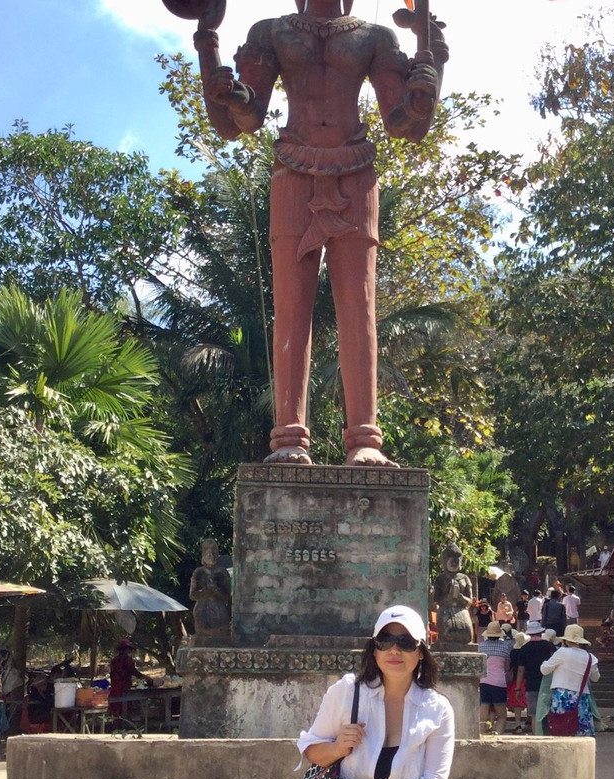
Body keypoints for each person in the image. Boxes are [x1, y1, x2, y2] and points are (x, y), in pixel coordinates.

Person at [188, 0, 448, 467]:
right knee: (291, 307)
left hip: (355, 171)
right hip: (293, 168)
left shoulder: (375, 37)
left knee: (359, 305)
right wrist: (213, 58)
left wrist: (429, 80)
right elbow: (236, 123)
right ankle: (289, 437)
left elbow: (406, 126)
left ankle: (365, 439)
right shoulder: (271, 32)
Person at [298, 604, 454, 779]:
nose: (394, 650)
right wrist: (337, 748)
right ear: (374, 650)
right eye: (385, 640)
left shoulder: (437, 709)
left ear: (421, 651)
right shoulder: (346, 691)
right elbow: (311, 750)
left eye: (405, 642)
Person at [540, 623, 601, 736]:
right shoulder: (590, 658)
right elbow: (595, 678)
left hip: (561, 695)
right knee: (581, 729)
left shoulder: (562, 653)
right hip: (581, 696)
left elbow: (545, 670)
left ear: (566, 640)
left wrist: (544, 662)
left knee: (560, 727)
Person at [189, 538, 232, 646]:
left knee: (220, 634)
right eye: (208, 553)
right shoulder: (199, 572)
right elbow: (192, 595)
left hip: (219, 609)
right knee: (203, 635)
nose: (211, 555)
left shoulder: (222, 572)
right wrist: (205, 591)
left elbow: (227, 595)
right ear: (203, 555)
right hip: (203, 609)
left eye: (214, 552)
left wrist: (216, 591)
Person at [516, 621, 556, 734]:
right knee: (547, 711)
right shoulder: (548, 646)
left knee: (534, 714)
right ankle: (547, 734)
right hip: (547, 683)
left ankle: (536, 735)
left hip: (531, 684)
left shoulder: (524, 648)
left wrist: (518, 688)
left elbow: (520, 669)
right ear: (540, 632)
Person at [478, 621, 513, 735]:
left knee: (484, 708)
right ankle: (498, 735)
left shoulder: (481, 646)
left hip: (484, 681)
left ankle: (482, 734)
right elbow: (507, 666)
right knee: (502, 715)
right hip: (499, 682)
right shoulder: (505, 647)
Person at [109, 638, 149, 717]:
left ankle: (117, 724)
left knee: (116, 710)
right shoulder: (127, 659)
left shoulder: (114, 660)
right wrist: (146, 678)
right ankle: (125, 725)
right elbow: (133, 671)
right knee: (125, 709)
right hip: (123, 688)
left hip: (114, 688)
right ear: (127, 649)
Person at [507, 630, 528, 733]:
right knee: (528, 702)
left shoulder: (513, 652)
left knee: (516, 704)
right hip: (527, 679)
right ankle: (529, 722)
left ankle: (518, 724)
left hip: (515, 680)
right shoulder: (527, 650)